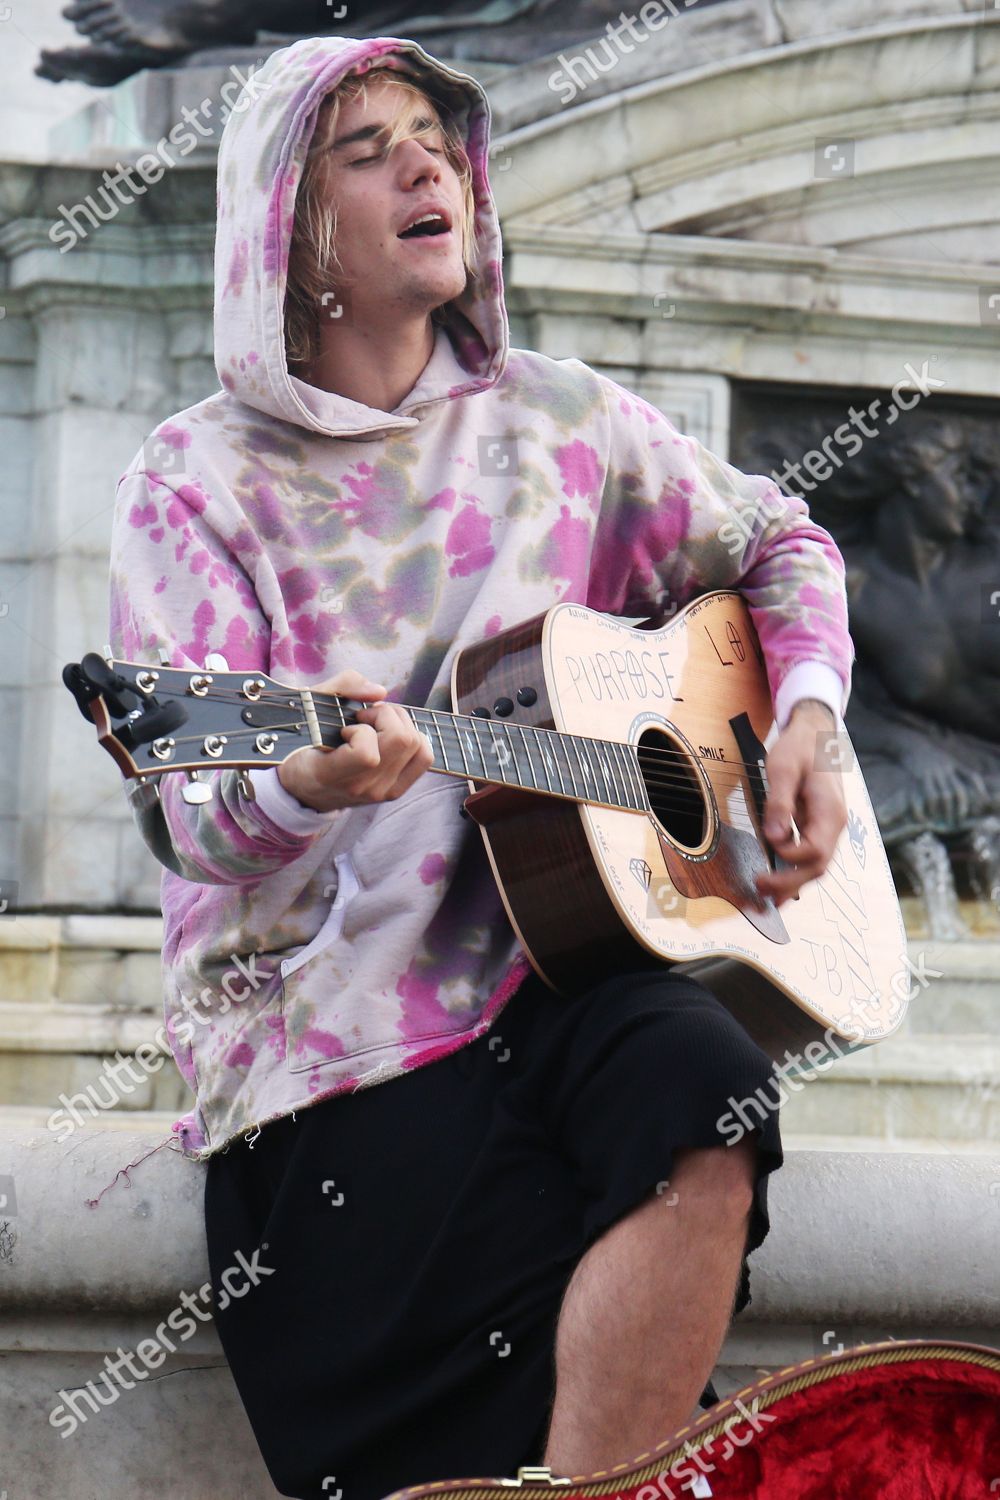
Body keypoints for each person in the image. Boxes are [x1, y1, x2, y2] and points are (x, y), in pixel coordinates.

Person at [107, 32, 853, 1500]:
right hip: (333, 1049)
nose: (423, 162)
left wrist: (812, 715)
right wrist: (300, 784)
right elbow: (190, 812)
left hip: (560, 991)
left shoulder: (567, 429)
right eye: (365, 146)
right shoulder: (196, 480)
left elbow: (783, 540)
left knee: (706, 1083)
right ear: (286, 220)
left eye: (434, 137)